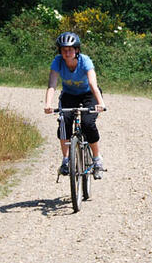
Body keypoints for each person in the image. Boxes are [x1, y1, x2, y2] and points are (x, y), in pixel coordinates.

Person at [44, 32, 107, 179]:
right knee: (64, 122)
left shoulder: (85, 61)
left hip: (88, 94)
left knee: (88, 123)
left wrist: (100, 103)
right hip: (69, 95)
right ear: (60, 51)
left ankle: (97, 159)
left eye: (70, 49)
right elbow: (52, 84)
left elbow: (92, 83)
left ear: (77, 50)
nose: (67, 52)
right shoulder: (58, 62)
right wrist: (48, 104)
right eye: (64, 49)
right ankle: (66, 160)